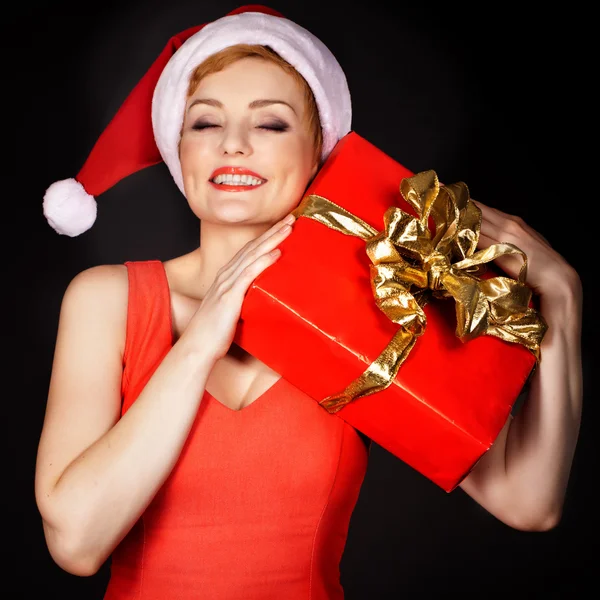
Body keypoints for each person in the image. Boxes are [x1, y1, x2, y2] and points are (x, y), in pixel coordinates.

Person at [34, 4, 583, 599]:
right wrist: (198, 343)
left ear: (320, 146)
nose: (234, 146)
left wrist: (565, 307)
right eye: (204, 123)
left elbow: (527, 500)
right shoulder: (106, 300)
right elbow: (75, 543)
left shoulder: (373, 310)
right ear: (177, 149)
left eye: (270, 124)